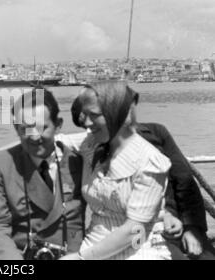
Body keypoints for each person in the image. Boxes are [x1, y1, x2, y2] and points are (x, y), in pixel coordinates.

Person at [70, 89, 215, 260]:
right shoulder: (94, 144)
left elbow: (184, 180)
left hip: (164, 229)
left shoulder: (156, 134)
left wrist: (191, 228)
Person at [61, 81, 172, 260]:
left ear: (116, 114)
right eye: (85, 114)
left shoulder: (150, 162)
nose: (87, 123)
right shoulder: (91, 143)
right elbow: (49, 140)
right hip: (92, 245)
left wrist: (81, 258)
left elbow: (134, 230)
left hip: (138, 250)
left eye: (94, 115)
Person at [0, 87, 86, 260]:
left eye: (42, 128)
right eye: (25, 129)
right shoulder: (0, 166)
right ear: (16, 129)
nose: (35, 137)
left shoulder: (78, 163)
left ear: (58, 125)